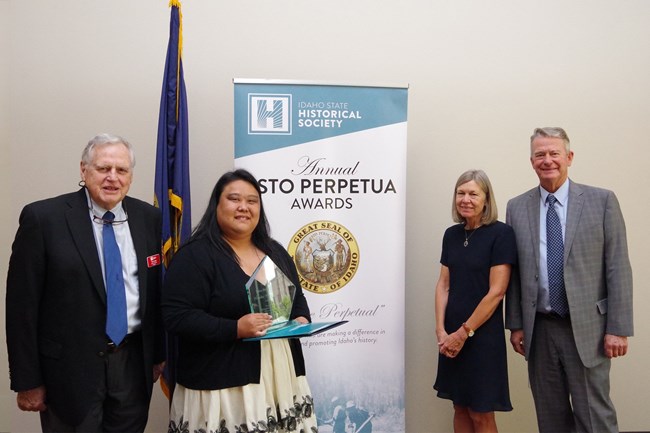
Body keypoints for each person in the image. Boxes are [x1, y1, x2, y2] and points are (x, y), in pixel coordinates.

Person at [5, 133, 165, 432]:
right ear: (83, 170)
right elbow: (21, 307)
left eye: (121, 170)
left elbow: (152, 294)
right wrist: (28, 380)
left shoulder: (148, 218)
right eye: (104, 168)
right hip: (68, 373)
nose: (112, 178)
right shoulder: (44, 218)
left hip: (131, 366)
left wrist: (157, 356)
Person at [161, 168, 318, 432]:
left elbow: (296, 298)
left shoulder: (275, 251)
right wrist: (235, 329)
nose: (243, 207)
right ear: (217, 205)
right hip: (222, 383)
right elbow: (176, 316)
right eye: (234, 199)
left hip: (280, 374)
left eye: (252, 201)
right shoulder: (195, 256)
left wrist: (301, 319)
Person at [505, 127, 633, 432]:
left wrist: (618, 328)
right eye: (540, 155)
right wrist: (516, 324)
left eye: (554, 153)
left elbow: (618, 266)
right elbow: (514, 273)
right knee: (551, 419)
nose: (547, 160)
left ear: (569, 157)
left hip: (589, 329)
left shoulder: (601, 201)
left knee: (595, 418)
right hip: (540, 331)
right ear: (532, 161)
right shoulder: (517, 207)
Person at [433, 169, 516, 433]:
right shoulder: (451, 234)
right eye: (461, 193)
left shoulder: (501, 234)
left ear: (486, 199)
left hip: (481, 336)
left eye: (473, 193)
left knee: (481, 412)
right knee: (459, 407)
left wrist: (463, 332)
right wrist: (441, 331)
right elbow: (443, 284)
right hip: (450, 335)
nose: (466, 199)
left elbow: (496, 292)